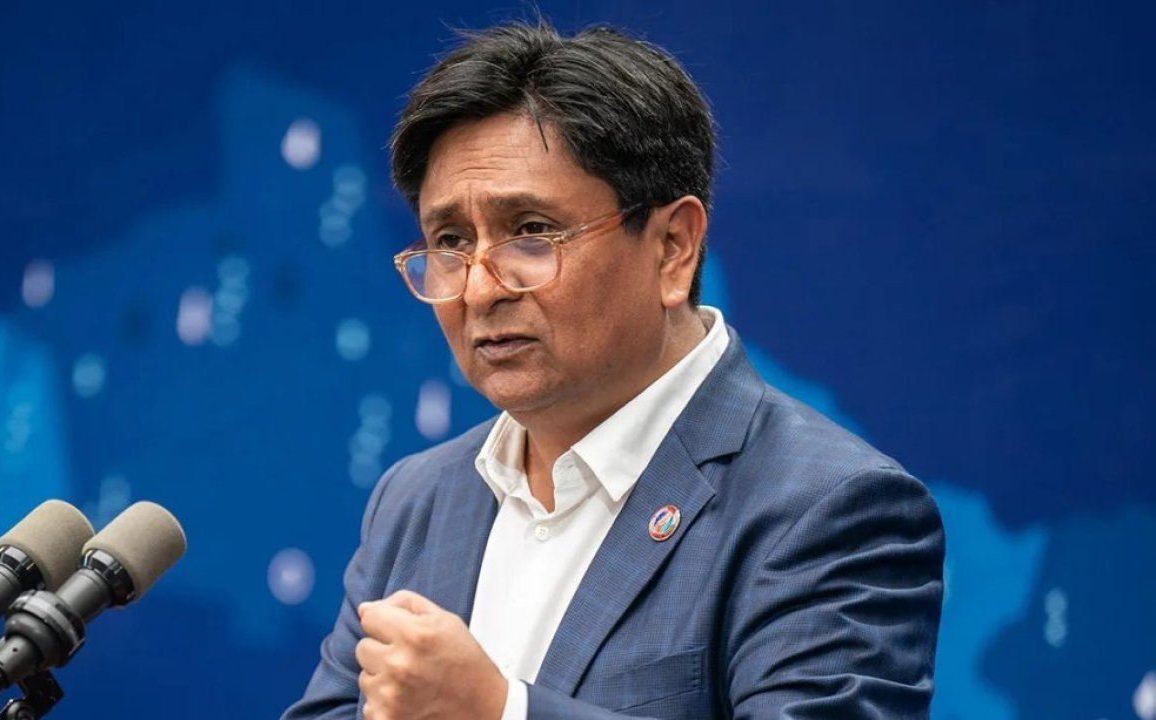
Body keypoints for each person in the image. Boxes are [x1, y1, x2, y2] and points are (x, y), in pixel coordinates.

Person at [283, 20, 944, 720]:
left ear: (673, 247)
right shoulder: (416, 498)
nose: (478, 288)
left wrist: (500, 711)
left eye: (531, 232)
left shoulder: (826, 506)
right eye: (450, 241)